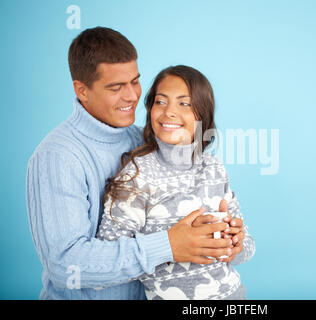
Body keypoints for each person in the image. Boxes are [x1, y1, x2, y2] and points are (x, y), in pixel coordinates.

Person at [25, 27, 235, 300]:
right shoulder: (57, 157)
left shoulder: (146, 140)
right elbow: (65, 265)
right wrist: (168, 246)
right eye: (116, 87)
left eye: (135, 82)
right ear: (82, 90)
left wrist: (227, 237)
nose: (132, 96)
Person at [96, 65, 255, 300]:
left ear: (202, 114)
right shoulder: (136, 176)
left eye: (184, 103)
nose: (169, 112)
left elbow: (246, 250)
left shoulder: (213, 168)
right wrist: (169, 245)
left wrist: (237, 242)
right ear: (150, 109)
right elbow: (107, 263)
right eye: (160, 102)